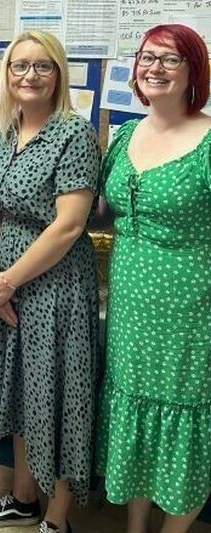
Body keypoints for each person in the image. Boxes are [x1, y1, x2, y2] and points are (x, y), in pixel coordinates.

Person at [0, 31, 100, 533]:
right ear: (7, 75)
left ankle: (58, 518)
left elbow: (69, 224)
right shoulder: (5, 128)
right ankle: (23, 499)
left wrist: (9, 280)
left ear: (58, 74)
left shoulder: (74, 133)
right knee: (20, 386)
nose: (30, 76)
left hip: (56, 283)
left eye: (43, 66)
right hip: (10, 280)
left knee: (61, 395)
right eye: (20, 66)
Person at [95, 24, 211, 533]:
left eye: (169, 59)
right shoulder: (122, 136)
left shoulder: (209, 140)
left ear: (193, 72)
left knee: (183, 412)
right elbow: (96, 212)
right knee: (132, 406)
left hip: (191, 302)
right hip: (130, 302)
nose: (154, 67)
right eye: (147, 57)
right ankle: (135, 527)